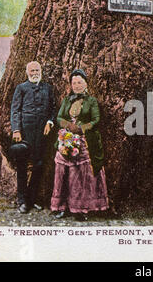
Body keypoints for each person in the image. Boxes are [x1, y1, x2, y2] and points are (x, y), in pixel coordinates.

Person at [50, 69, 109, 221]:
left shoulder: (92, 101)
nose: (76, 85)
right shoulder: (66, 100)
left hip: (84, 140)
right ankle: (60, 206)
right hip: (67, 138)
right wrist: (69, 126)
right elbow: (59, 117)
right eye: (74, 83)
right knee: (61, 172)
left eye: (79, 82)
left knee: (80, 175)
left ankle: (80, 208)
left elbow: (96, 120)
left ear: (85, 84)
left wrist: (81, 128)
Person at [10, 61, 56, 214]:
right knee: (22, 166)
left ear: (41, 71)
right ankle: (22, 200)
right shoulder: (21, 88)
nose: (35, 73)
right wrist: (16, 130)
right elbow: (15, 110)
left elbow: (53, 108)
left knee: (39, 164)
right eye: (32, 70)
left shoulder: (47, 88)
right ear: (27, 72)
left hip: (42, 134)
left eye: (37, 70)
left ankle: (32, 198)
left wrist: (50, 122)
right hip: (25, 132)